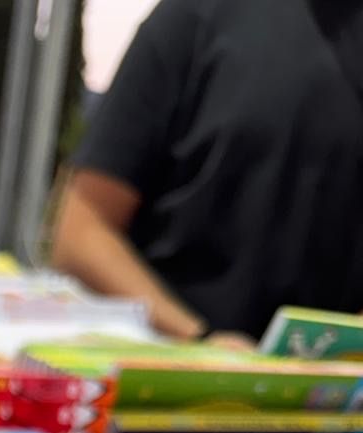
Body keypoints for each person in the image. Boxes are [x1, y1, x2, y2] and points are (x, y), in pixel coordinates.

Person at [51, 0, 363, 343]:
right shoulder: (194, 15)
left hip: (329, 372)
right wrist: (199, 340)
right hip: (170, 362)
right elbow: (81, 230)